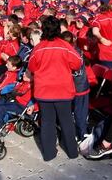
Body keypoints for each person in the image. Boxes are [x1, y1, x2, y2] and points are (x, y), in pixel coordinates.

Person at [27, 16, 83, 162]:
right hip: (63, 90)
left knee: (47, 122)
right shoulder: (65, 46)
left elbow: (31, 67)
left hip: (44, 91)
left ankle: (49, 153)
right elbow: (77, 63)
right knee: (66, 121)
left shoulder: (38, 48)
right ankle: (72, 152)